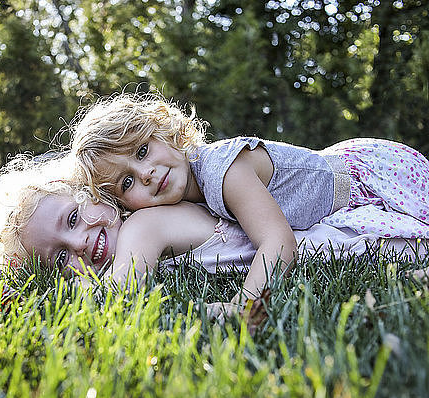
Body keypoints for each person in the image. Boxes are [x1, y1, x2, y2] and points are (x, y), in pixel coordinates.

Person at [70, 92, 429, 306]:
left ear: (165, 132)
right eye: (127, 181)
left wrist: (246, 302)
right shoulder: (186, 200)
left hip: (367, 175)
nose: (145, 173)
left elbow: (278, 241)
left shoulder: (224, 171)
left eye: (143, 150)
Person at [0, 154, 429, 315]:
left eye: (72, 220)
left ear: (94, 194)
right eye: (61, 260)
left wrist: (80, 291)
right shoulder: (155, 212)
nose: (80, 243)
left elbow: (116, 295)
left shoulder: (144, 226)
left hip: (328, 242)